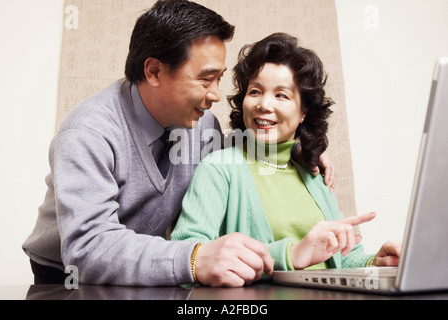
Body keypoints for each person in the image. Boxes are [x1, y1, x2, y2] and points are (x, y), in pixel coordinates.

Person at [22, 1, 334, 287]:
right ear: (154, 71)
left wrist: (301, 150)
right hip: (67, 277)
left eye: (219, 79)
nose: (215, 95)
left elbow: (237, 164)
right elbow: (88, 249)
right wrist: (194, 258)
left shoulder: (201, 124)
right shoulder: (89, 132)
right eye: (205, 79)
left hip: (150, 267)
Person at [171, 33, 401, 287]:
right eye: (255, 91)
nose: (264, 105)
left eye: (281, 95)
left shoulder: (313, 172)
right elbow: (187, 260)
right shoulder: (219, 169)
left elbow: (343, 260)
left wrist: (375, 264)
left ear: (303, 112)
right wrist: (289, 256)